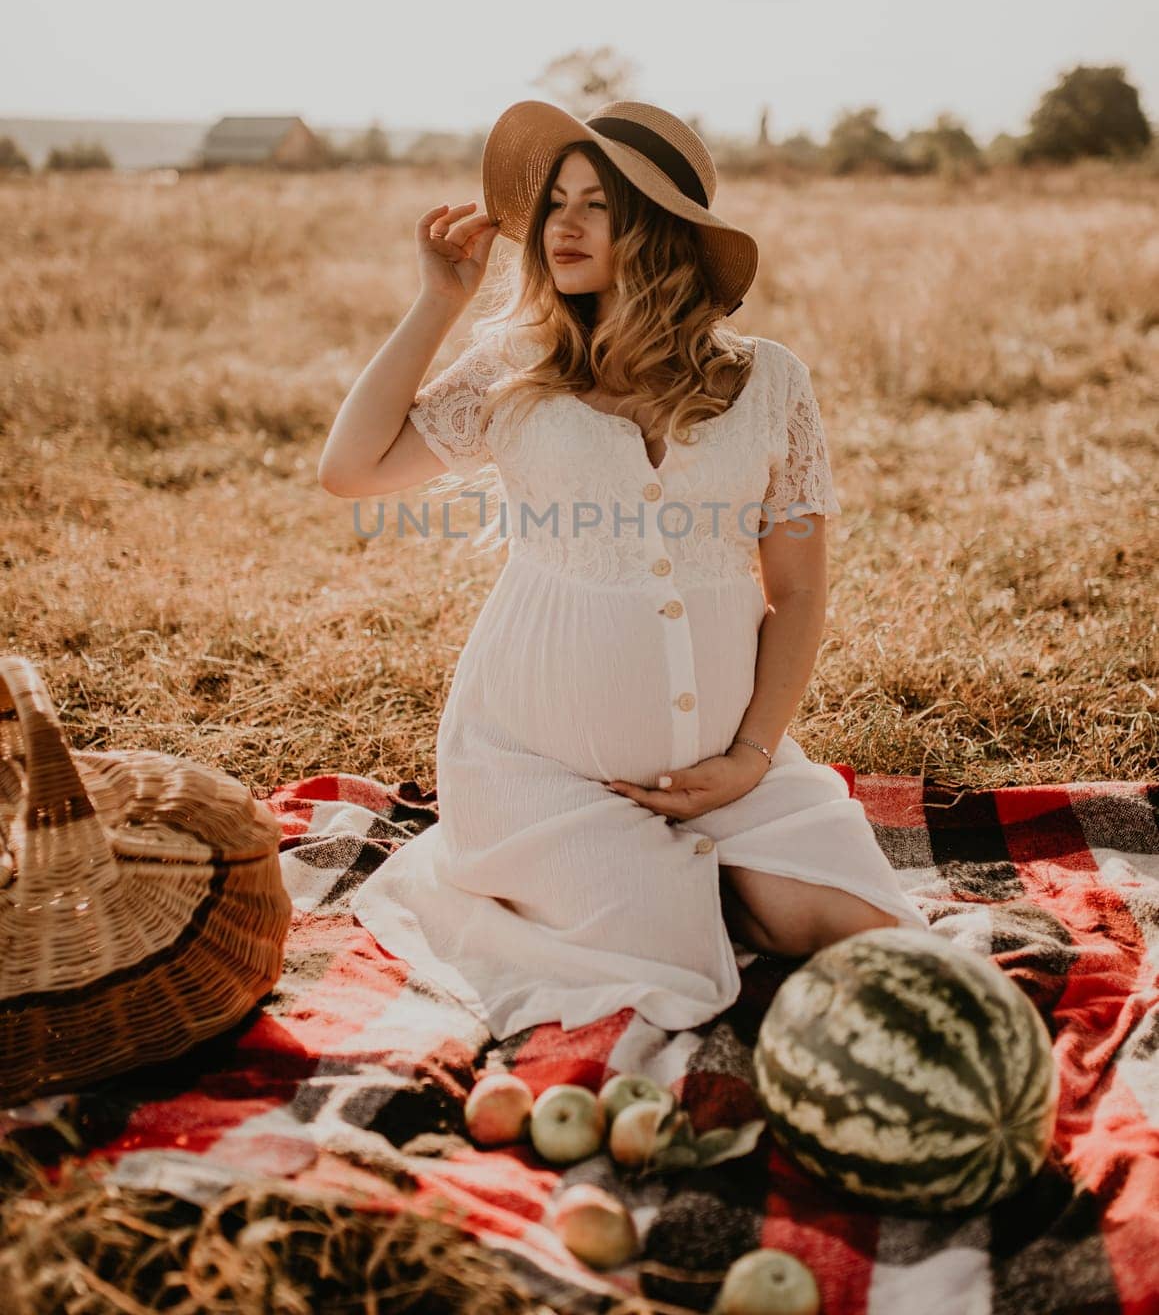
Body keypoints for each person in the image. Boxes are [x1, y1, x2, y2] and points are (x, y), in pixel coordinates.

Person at [318, 99, 927, 1039]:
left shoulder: (770, 383)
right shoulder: (517, 367)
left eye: (596, 204)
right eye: (555, 201)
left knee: (874, 934)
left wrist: (747, 760)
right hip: (537, 770)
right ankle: (659, 885)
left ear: (661, 229)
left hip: (732, 768)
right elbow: (350, 468)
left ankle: (709, 869)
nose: (561, 225)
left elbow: (798, 591)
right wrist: (439, 300)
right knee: (668, 961)